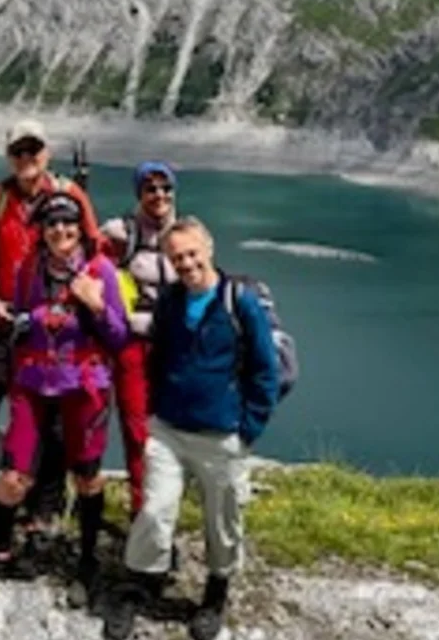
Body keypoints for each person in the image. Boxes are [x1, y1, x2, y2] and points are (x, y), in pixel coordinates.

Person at [103, 216, 279, 640]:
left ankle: (216, 591)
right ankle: (141, 581)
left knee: (222, 519)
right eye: (177, 257)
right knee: (155, 508)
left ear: (209, 250)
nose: (186, 263)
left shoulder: (240, 302)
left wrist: (247, 429)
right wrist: (153, 411)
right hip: (169, 430)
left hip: (221, 434)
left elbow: (265, 370)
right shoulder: (171, 301)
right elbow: (157, 357)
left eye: (192, 254)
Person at [0, 191, 126, 610]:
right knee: (14, 476)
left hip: (84, 387)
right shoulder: (30, 268)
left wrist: (96, 305)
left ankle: (87, 563)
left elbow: (119, 336)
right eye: (52, 224)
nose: (60, 231)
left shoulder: (100, 271)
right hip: (34, 384)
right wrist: (22, 324)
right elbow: (24, 320)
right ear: (41, 230)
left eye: (68, 223)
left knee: (86, 476)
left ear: (80, 228)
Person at [0, 118, 102, 540]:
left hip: (52, 328)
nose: (26, 158)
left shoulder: (69, 195)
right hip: (4, 321)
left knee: (52, 418)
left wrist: (83, 299)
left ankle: (45, 507)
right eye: (18, 151)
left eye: (33, 150)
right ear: (9, 156)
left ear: (46, 153)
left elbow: (93, 250)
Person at [100, 161, 180, 516]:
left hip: (175, 346)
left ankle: (165, 508)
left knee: (173, 430)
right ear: (139, 194)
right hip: (133, 345)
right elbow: (90, 265)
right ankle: (142, 510)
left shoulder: (186, 235)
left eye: (166, 188)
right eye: (150, 189)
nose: (159, 195)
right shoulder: (121, 234)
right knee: (137, 429)